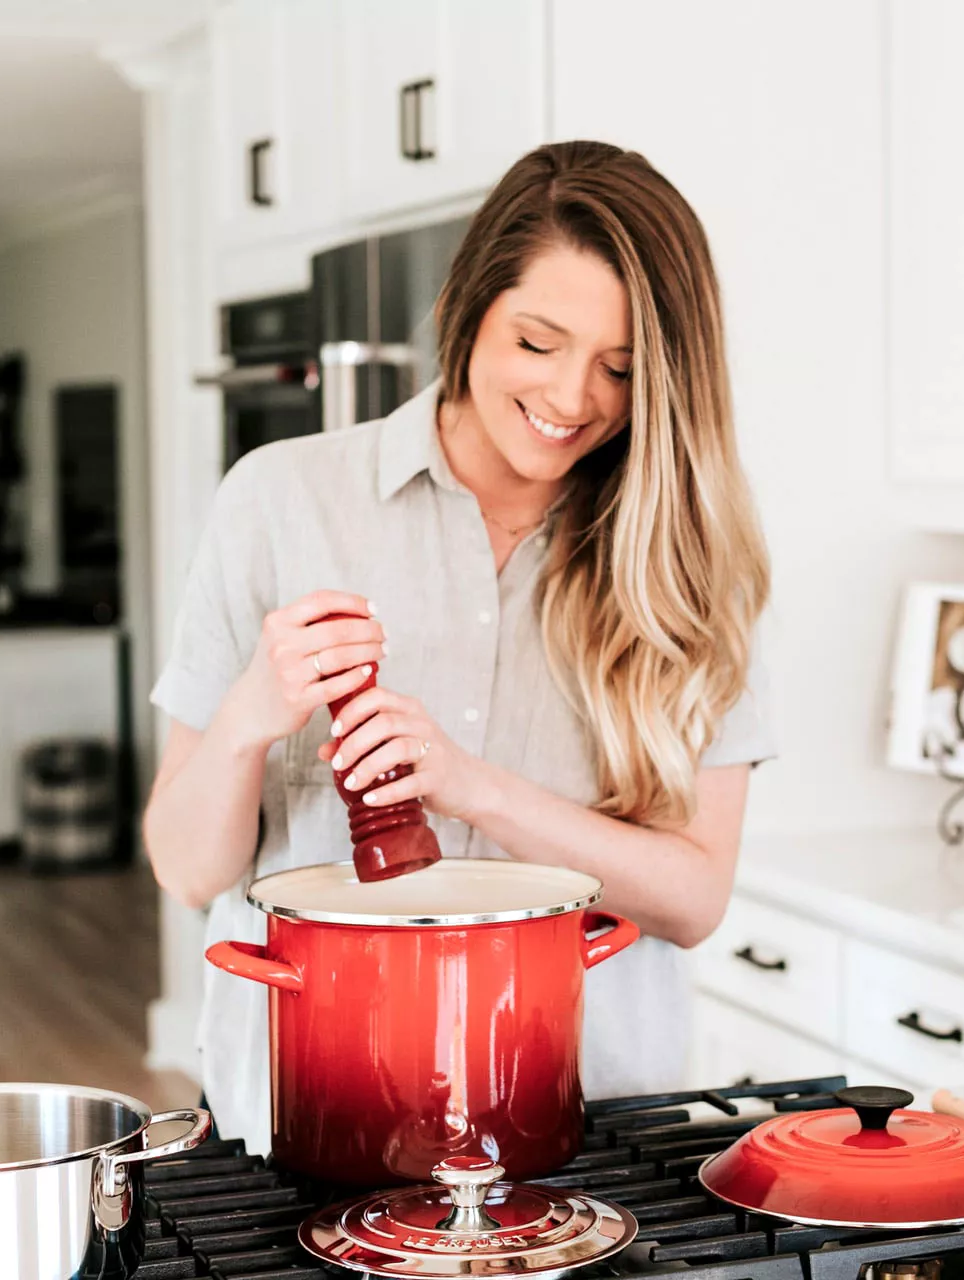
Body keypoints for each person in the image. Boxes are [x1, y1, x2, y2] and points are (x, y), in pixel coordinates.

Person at [143, 140, 774, 1151]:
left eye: (620, 367)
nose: (574, 397)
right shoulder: (279, 499)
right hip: (312, 1123)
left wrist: (468, 783)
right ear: (468, 309)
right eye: (538, 341)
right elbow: (182, 865)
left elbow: (695, 897)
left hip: (589, 1132)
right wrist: (248, 717)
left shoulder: (688, 562)